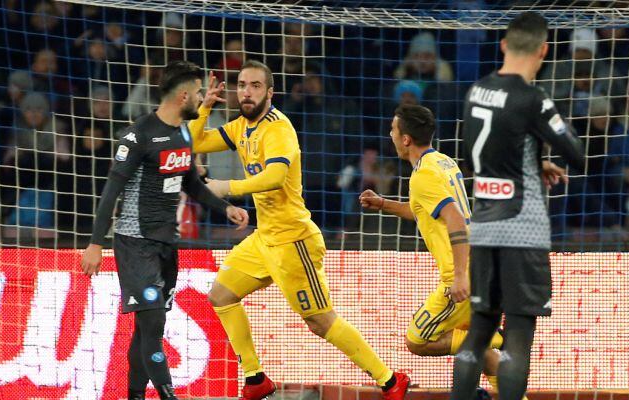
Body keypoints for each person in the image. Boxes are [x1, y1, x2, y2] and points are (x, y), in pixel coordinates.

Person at [187, 61, 410, 400]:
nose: (246, 91)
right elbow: (197, 140)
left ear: (270, 92)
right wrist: (204, 107)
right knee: (221, 295)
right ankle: (255, 378)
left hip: (294, 241)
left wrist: (225, 186)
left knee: (321, 322)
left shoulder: (279, 128)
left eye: (255, 85)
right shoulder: (239, 128)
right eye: (242, 84)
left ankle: (390, 380)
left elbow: (276, 177)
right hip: (265, 239)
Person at [80, 61, 249, 400]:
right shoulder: (137, 135)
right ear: (183, 95)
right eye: (199, 92)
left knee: (146, 330)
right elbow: (111, 190)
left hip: (166, 244)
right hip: (134, 243)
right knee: (154, 324)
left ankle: (135, 395)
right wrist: (96, 244)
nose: (202, 98)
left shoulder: (184, 134)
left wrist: (225, 206)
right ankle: (168, 394)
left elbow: (193, 185)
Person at [451, 12, 585, 400]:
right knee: (518, 336)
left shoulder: (477, 90)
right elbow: (575, 155)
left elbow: (472, 158)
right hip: (523, 227)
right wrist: (544, 154)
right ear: (544, 50)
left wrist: (529, 160)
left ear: (504, 45)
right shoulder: (533, 98)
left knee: (479, 329)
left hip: (485, 224)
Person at [359, 104, 525, 400]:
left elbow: (455, 218)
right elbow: (422, 210)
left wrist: (459, 276)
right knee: (483, 355)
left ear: (406, 138)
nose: (391, 135)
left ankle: (494, 336)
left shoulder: (423, 176)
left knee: (418, 340)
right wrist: (384, 204)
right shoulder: (443, 162)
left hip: (464, 273)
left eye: (393, 130)